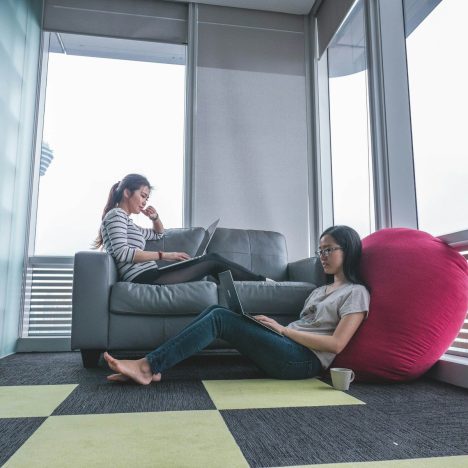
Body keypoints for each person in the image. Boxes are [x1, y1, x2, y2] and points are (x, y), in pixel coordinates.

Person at [104, 225, 370, 384]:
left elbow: (336, 345)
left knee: (220, 318)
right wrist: (268, 327)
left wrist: (283, 330)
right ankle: (154, 366)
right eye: (320, 250)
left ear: (348, 250)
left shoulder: (355, 293)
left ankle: (147, 367)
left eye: (329, 249)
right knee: (216, 311)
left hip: (303, 362)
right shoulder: (320, 290)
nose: (322, 256)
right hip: (289, 347)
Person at [93, 173, 265, 285]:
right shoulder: (115, 215)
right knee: (212, 261)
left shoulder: (128, 222)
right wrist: (166, 255)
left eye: (146, 198)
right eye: (143, 196)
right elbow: (123, 253)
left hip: (150, 274)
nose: (145, 201)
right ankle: (263, 282)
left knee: (212, 265)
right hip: (143, 278)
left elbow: (159, 234)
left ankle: (254, 288)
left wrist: (155, 218)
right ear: (127, 193)